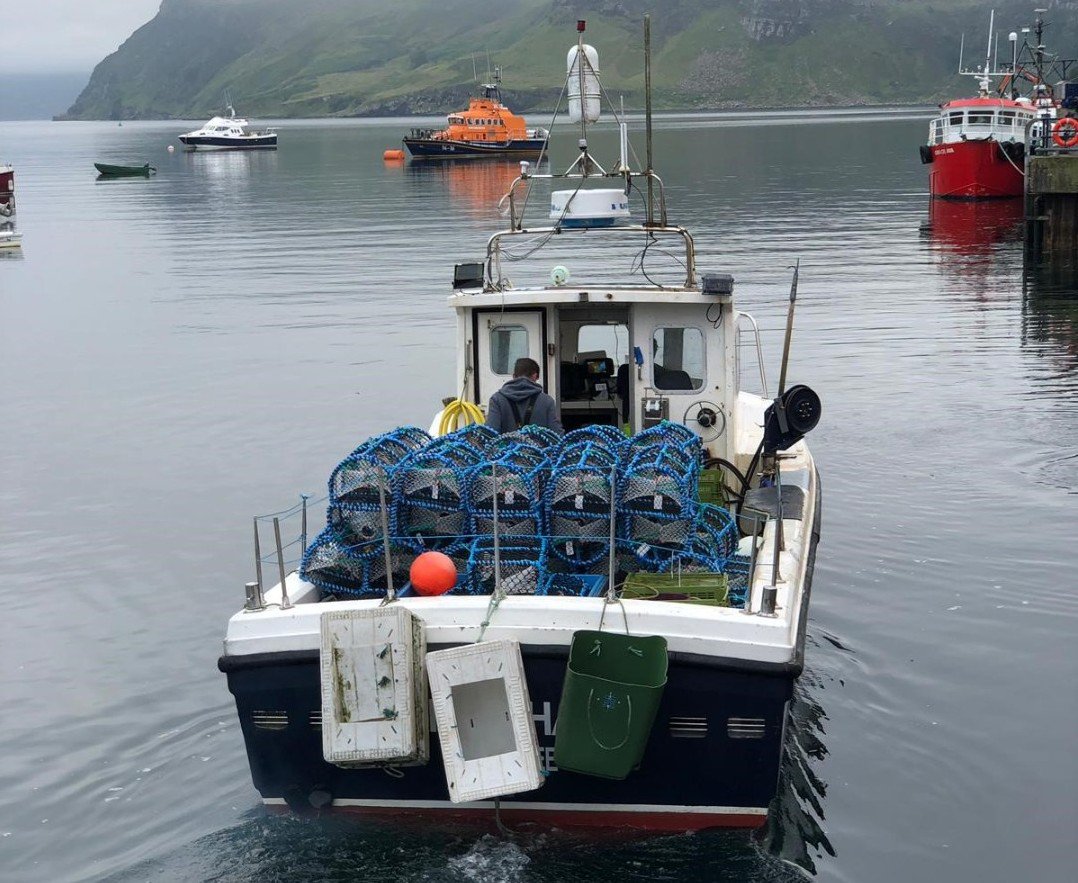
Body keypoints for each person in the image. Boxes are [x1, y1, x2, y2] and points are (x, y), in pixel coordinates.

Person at [486, 357, 564, 434]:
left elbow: (490, 434)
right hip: (539, 446)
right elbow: (557, 435)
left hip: (506, 446)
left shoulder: (496, 400)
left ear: (514, 376)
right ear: (535, 376)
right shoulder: (547, 401)